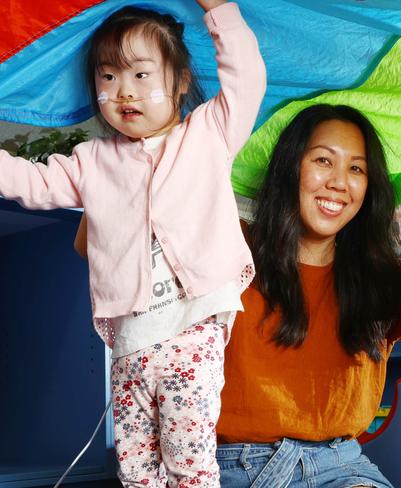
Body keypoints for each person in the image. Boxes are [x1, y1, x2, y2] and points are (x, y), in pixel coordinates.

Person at [0, 1, 265, 486]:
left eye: (142, 75)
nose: (124, 91)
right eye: (108, 78)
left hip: (192, 332)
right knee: (137, 470)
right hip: (129, 346)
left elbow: (247, 76)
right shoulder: (91, 160)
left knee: (189, 464)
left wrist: (220, 10)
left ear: (181, 81)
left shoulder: (208, 134)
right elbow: (30, 182)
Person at [211, 103, 401, 487]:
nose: (339, 182)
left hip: (340, 470)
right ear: (291, 168)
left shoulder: (385, 281)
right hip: (229, 469)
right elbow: (106, 240)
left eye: (356, 168)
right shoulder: (228, 247)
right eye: (324, 160)